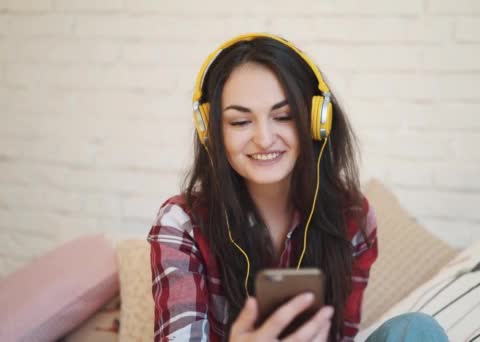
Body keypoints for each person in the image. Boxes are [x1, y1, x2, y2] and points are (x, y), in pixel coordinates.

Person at [148, 33, 448, 342]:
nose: (264, 138)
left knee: (417, 330)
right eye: (240, 122)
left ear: (318, 120)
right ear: (211, 132)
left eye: (284, 116)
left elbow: (341, 336)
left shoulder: (353, 218)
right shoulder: (180, 222)